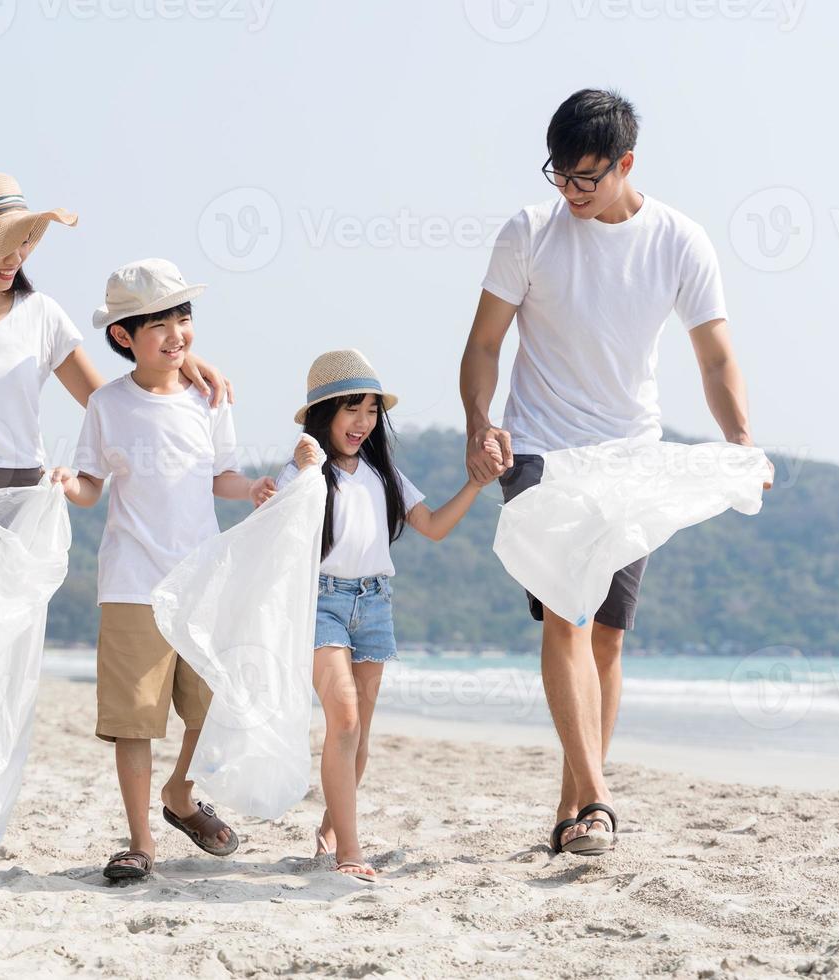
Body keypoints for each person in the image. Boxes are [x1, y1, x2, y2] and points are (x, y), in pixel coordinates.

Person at [0, 175, 230, 884]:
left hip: (18, 502)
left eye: (27, 240)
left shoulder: (42, 317)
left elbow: (113, 401)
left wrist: (179, 361)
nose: (19, 255)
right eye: (5, 243)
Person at [459, 90, 771, 856]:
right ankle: (599, 797)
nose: (568, 192)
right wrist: (479, 420)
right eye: (558, 175)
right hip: (539, 448)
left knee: (608, 638)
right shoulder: (529, 232)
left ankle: (572, 811)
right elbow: (485, 344)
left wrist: (740, 440)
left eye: (585, 179)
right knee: (566, 614)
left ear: (626, 164)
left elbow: (715, 353)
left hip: (630, 455)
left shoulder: (679, 241)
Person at [56, 258, 268, 881]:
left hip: (201, 581)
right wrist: (71, 484)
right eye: (160, 324)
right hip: (130, 583)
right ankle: (141, 842)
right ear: (124, 336)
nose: (177, 334)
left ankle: (180, 793)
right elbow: (93, 485)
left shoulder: (209, 397)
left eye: (184, 317)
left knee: (212, 708)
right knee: (134, 720)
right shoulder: (106, 405)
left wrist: (254, 485)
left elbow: (220, 475)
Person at [254, 349, 496, 880]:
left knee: (358, 731)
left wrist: (477, 484)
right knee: (342, 716)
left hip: (375, 603)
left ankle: (330, 828)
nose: (362, 422)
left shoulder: (384, 474)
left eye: (370, 411)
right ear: (324, 414)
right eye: (350, 410)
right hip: (321, 602)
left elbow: (432, 525)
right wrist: (298, 470)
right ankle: (350, 853)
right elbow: (275, 524)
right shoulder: (306, 470)